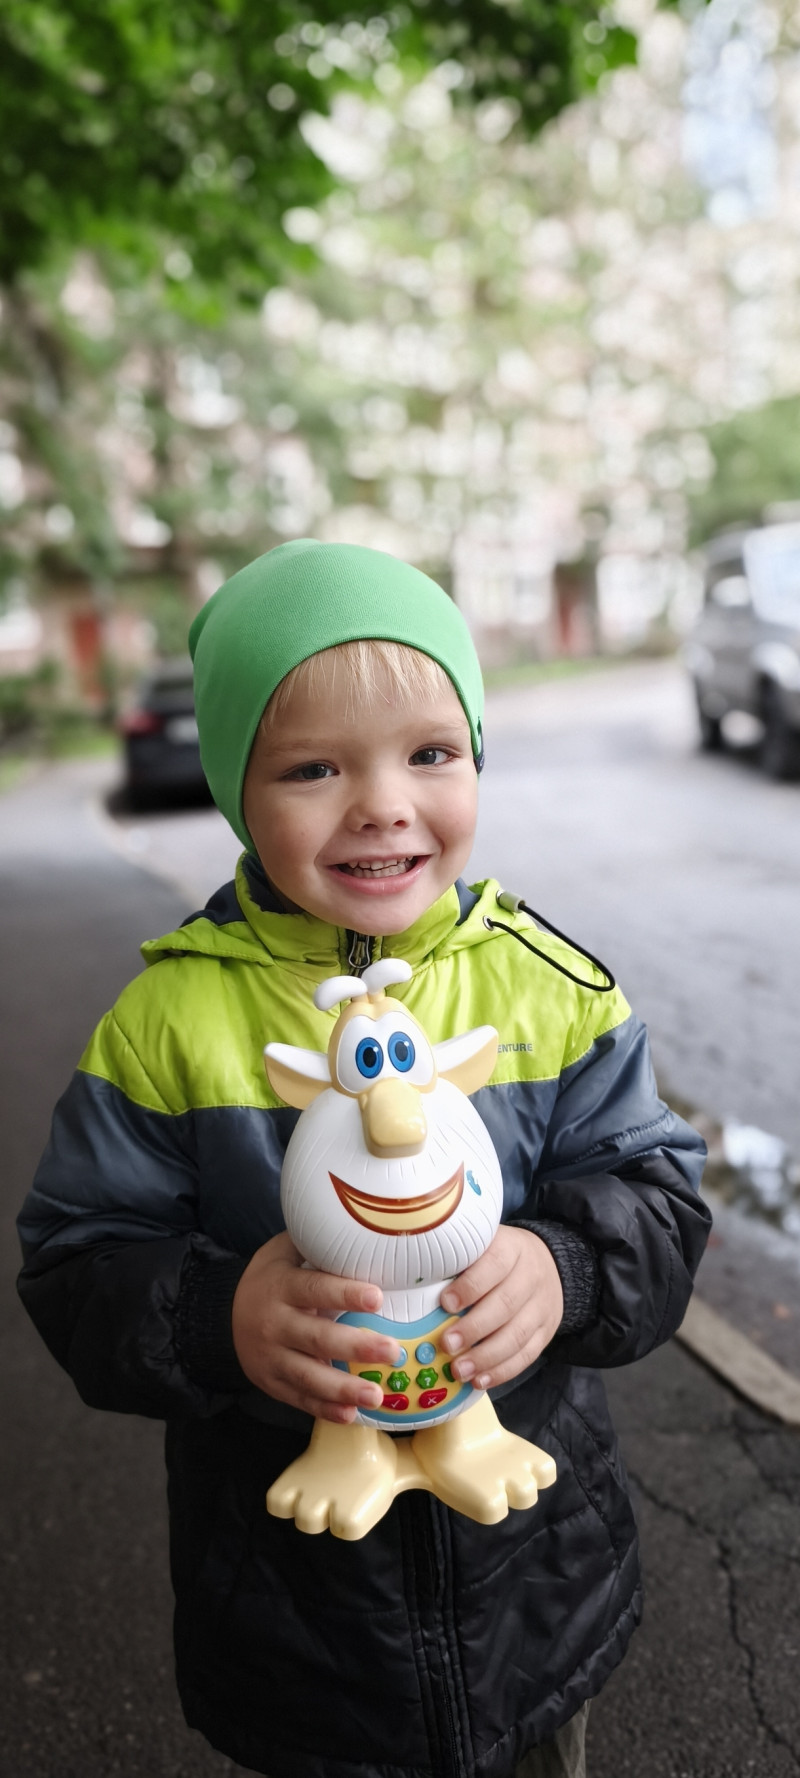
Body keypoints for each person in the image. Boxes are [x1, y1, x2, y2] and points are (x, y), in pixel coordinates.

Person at [17, 540, 710, 1778]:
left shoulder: (550, 989)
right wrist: (218, 1316)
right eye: (314, 766)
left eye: (429, 753)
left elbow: (660, 1201)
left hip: (533, 1572)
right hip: (296, 1608)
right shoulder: (167, 1025)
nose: (383, 803)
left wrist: (562, 1269)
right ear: (235, 787)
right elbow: (76, 1262)